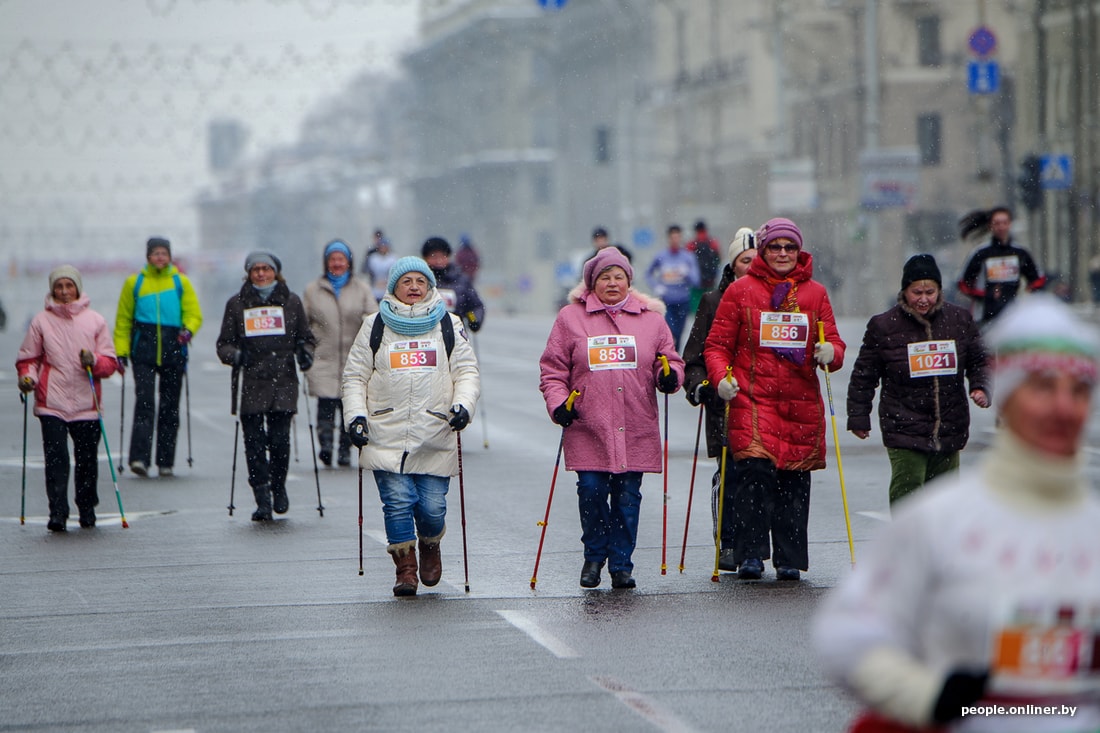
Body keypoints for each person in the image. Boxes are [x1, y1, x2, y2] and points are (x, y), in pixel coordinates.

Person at [815, 294, 1100, 732]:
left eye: (1078, 390)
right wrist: (928, 697)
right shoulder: (940, 520)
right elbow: (846, 636)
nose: (1063, 408)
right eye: (1042, 386)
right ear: (1007, 399)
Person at [704, 217, 845, 581]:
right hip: (753, 399)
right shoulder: (741, 292)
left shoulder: (815, 294)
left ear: (799, 252)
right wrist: (722, 379)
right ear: (763, 251)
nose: (783, 253)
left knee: (793, 481)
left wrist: (831, 351)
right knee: (755, 473)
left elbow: (834, 342)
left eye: (790, 248)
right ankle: (751, 554)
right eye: (775, 247)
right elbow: (717, 346)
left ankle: (789, 558)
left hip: (799, 403)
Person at [539, 247, 684, 590]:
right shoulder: (570, 319)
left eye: (619, 276)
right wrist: (560, 404)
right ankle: (594, 555)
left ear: (629, 281)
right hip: (589, 425)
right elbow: (552, 370)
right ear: (592, 283)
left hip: (636, 424)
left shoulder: (652, 320)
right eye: (605, 277)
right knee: (591, 490)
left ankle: (621, 564)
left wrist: (670, 377)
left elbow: (672, 361)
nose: (612, 283)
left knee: (627, 497)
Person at [341, 256, 480, 596]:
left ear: (430, 286)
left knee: (432, 508)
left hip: (434, 432)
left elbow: (466, 372)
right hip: (385, 431)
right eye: (407, 282)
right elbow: (355, 377)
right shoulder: (374, 325)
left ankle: (430, 543)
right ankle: (405, 569)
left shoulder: (449, 324)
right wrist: (355, 417)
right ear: (393, 288)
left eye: (421, 281)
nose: (414, 287)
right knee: (398, 501)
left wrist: (462, 406)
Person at [847, 254, 991, 505]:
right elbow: (864, 375)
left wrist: (980, 387)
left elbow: (979, 360)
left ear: (939, 291)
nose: (923, 299)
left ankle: (939, 544)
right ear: (905, 291)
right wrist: (858, 417)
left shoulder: (959, 321)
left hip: (949, 424)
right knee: (909, 492)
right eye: (917, 292)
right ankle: (908, 542)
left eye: (930, 292)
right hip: (903, 425)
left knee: (944, 500)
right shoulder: (884, 326)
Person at [17, 265, 118, 531]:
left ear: (77, 288)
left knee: (86, 460)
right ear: (52, 290)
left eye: (69, 286)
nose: (64, 292)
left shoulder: (95, 320)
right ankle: (58, 512)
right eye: (59, 287)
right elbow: (30, 359)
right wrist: (28, 377)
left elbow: (109, 363)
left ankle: (86, 508)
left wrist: (93, 360)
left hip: (87, 404)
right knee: (56, 459)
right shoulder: (40, 321)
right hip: (52, 402)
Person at [216, 252, 316, 521]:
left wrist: (305, 353)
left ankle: (278, 486)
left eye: (266, 269)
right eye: (256, 269)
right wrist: (237, 356)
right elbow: (223, 344)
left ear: (276, 272)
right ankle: (261, 496)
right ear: (248, 273)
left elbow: (307, 338)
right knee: (254, 444)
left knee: (280, 441)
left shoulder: (291, 302)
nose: (261, 274)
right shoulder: (236, 304)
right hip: (251, 381)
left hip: (283, 380)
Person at [682, 226, 756, 571]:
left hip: (768, 405)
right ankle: (728, 543)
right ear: (733, 264)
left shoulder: (783, 299)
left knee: (764, 479)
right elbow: (694, 358)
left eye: (758, 259)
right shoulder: (713, 302)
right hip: (726, 405)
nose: (752, 265)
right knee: (731, 475)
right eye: (745, 260)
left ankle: (756, 549)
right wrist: (702, 387)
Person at [113, 236, 203, 477]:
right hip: (143, 351)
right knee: (145, 403)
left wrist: (188, 330)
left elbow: (194, 314)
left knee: (170, 406)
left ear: (170, 256)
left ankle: (166, 461)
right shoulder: (135, 283)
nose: (160, 257)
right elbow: (123, 321)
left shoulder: (180, 282)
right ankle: (139, 459)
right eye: (156, 253)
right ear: (148, 257)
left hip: (174, 349)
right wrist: (121, 352)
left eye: (164, 253)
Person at [303, 239, 378, 468]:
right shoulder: (313, 290)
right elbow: (304, 324)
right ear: (326, 263)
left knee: (350, 406)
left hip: (353, 358)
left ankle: (345, 450)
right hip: (323, 357)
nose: (337, 263)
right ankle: (325, 447)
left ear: (349, 262)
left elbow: (373, 318)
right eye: (333, 259)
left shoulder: (361, 288)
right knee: (325, 406)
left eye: (341, 259)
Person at [957, 206, 1046, 324]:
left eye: (1005, 223)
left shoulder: (1020, 252)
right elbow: (963, 283)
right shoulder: (981, 253)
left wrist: (1025, 295)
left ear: (1010, 224)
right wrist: (983, 295)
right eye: (997, 223)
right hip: (984, 316)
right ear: (990, 226)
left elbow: (1038, 280)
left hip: (1013, 316)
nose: (1001, 227)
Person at [645, 224, 700, 352]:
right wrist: (656, 286)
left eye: (677, 237)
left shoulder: (687, 257)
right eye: (672, 237)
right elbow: (648, 274)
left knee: (679, 333)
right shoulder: (661, 256)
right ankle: (668, 358)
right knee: (670, 331)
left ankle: (675, 359)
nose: (675, 240)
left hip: (683, 301)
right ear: (668, 238)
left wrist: (687, 273)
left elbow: (696, 281)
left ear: (680, 238)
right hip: (667, 301)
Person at [422, 236, 486, 333]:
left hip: (455, 334)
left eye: (442, 256)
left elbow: (473, 306)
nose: (438, 261)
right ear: (425, 258)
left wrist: (473, 320)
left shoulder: (461, 280)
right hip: (426, 335)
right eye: (434, 256)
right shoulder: (419, 280)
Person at [687, 219, 722, 311]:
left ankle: (698, 323)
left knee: (697, 308)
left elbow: (687, 262)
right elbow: (718, 259)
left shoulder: (691, 244)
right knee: (710, 306)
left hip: (696, 283)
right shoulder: (712, 243)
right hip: (710, 280)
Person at [362, 231, 397, 302]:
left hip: (388, 288)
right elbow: (367, 272)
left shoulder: (393, 258)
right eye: (382, 246)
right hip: (375, 288)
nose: (383, 248)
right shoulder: (373, 258)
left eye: (385, 246)